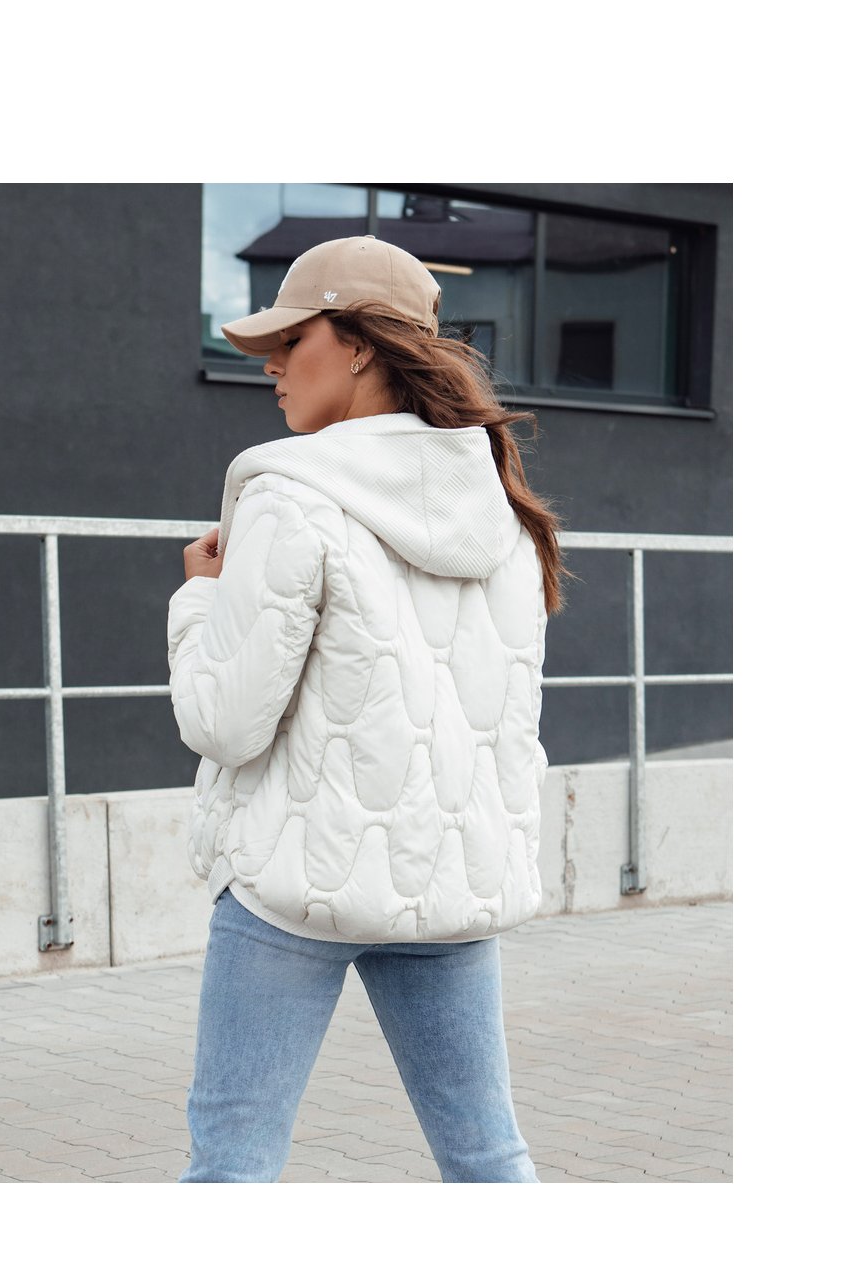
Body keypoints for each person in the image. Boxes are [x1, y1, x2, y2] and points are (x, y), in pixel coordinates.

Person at [167, 235, 566, 1183]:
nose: (270, 364)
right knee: (487, 1157)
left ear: (356, 345)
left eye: (291, 338)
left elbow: (223, 722)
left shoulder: (290, 495)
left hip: (295, 882)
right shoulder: (504, 512)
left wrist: (196, 602)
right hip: (446, 887)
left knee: (232, 1167)